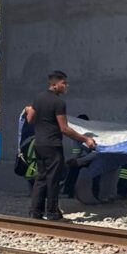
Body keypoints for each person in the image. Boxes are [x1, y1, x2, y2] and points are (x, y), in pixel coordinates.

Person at [25, 71, 95, 220]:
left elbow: (30, 120)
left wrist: (28, 111)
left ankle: (35, 212)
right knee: (53, 179)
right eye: (64, 83)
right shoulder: (59, 103)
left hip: (39, 145)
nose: (66, 86)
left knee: (41, 178)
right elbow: (64, 128)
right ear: (54, 84)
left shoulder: (38, 98)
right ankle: (52, 212)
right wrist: (85, 139)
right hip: (53, 146)